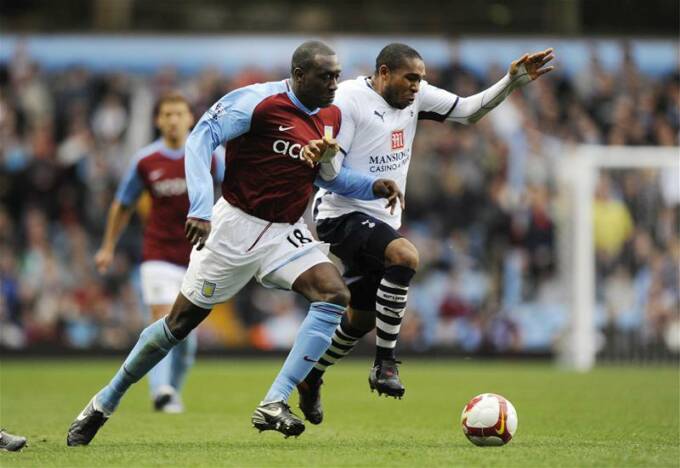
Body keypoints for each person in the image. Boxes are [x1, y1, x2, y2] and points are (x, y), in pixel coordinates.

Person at [66, 40, 402, 445]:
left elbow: (328, 177)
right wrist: (201, 208)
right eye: (325, 76)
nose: (335, 83)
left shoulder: (329, 115)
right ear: (299, 75)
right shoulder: (257, 101)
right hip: (233, 228)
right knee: (177, 326)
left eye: (337, 75)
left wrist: (371, 186)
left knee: (332, 293)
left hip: (283, 233)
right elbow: (199, 140)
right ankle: (103, 402)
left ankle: (275, 400)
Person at [297, 43, 554, 424]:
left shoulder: (416, 98)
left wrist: (512, 81)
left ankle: (311, 376)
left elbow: (468, 112)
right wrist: (343, 165)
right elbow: (329, 175)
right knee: (405, 256)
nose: (417, 86)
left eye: (421, 79)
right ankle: (385, 363)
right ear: (384, 73)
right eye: (410, 78)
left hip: (381, 219)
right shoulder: (349, 100)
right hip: (340, 214)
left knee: (362, 319)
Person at [94, 92, 223, 413]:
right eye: (167, 114)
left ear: (190, 119)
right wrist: (108, 246)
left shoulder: (210, 156)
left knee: (186, 337)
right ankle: (161, 390)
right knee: (164, 320)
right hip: (157, 254)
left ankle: (170, 393)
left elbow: (234, 193)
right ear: (158, 121)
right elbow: (122, 204)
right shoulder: (146, 161)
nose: (174, 120)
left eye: (179, 114)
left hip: (198, 256)